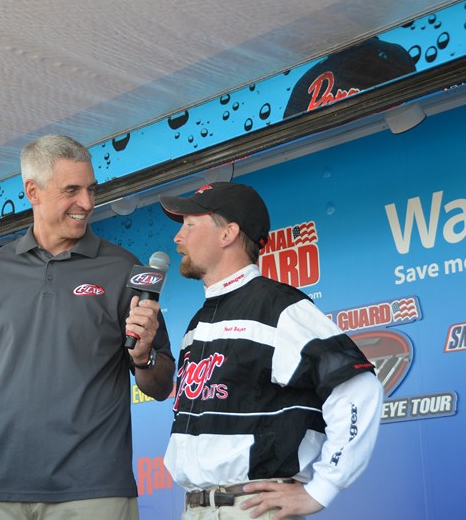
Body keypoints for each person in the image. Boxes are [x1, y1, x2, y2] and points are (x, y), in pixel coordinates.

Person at [0, 134, 175, 520]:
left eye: (91, 189)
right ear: (32, 192)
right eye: (71, 190)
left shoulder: (123, 268)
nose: (87, 203)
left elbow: (160, 385)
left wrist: (144, 358)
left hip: (93, 491)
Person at [158, 181, 383, 520]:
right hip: (196, 508)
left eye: (190, 225)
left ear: (228, 234)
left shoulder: (280, 306)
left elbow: (359, 388)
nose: (178, 237)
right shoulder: (198, 322)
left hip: (252, 509)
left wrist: (322, 488)